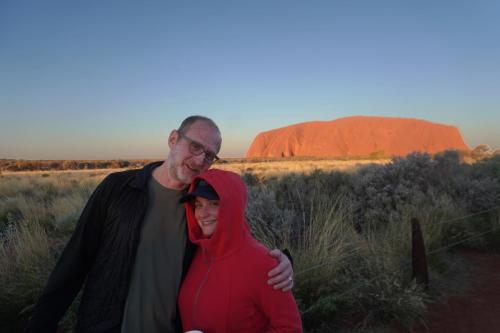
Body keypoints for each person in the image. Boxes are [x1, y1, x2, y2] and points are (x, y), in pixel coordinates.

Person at [26, 116, 293, 333]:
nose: (200, 160)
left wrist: (281, 261)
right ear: (173, 139)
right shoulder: (118, 188)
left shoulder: (200, 203)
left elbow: (231, 243)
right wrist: (40, 325)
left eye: (210, 155)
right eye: (195, 147)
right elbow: (75, 261)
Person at [178, 169, 302, 332]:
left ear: (233, 207)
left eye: (214, 204)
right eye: (198, 205)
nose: (203, 214)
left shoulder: (263, 263)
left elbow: (289, 328)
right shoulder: (193, 251)